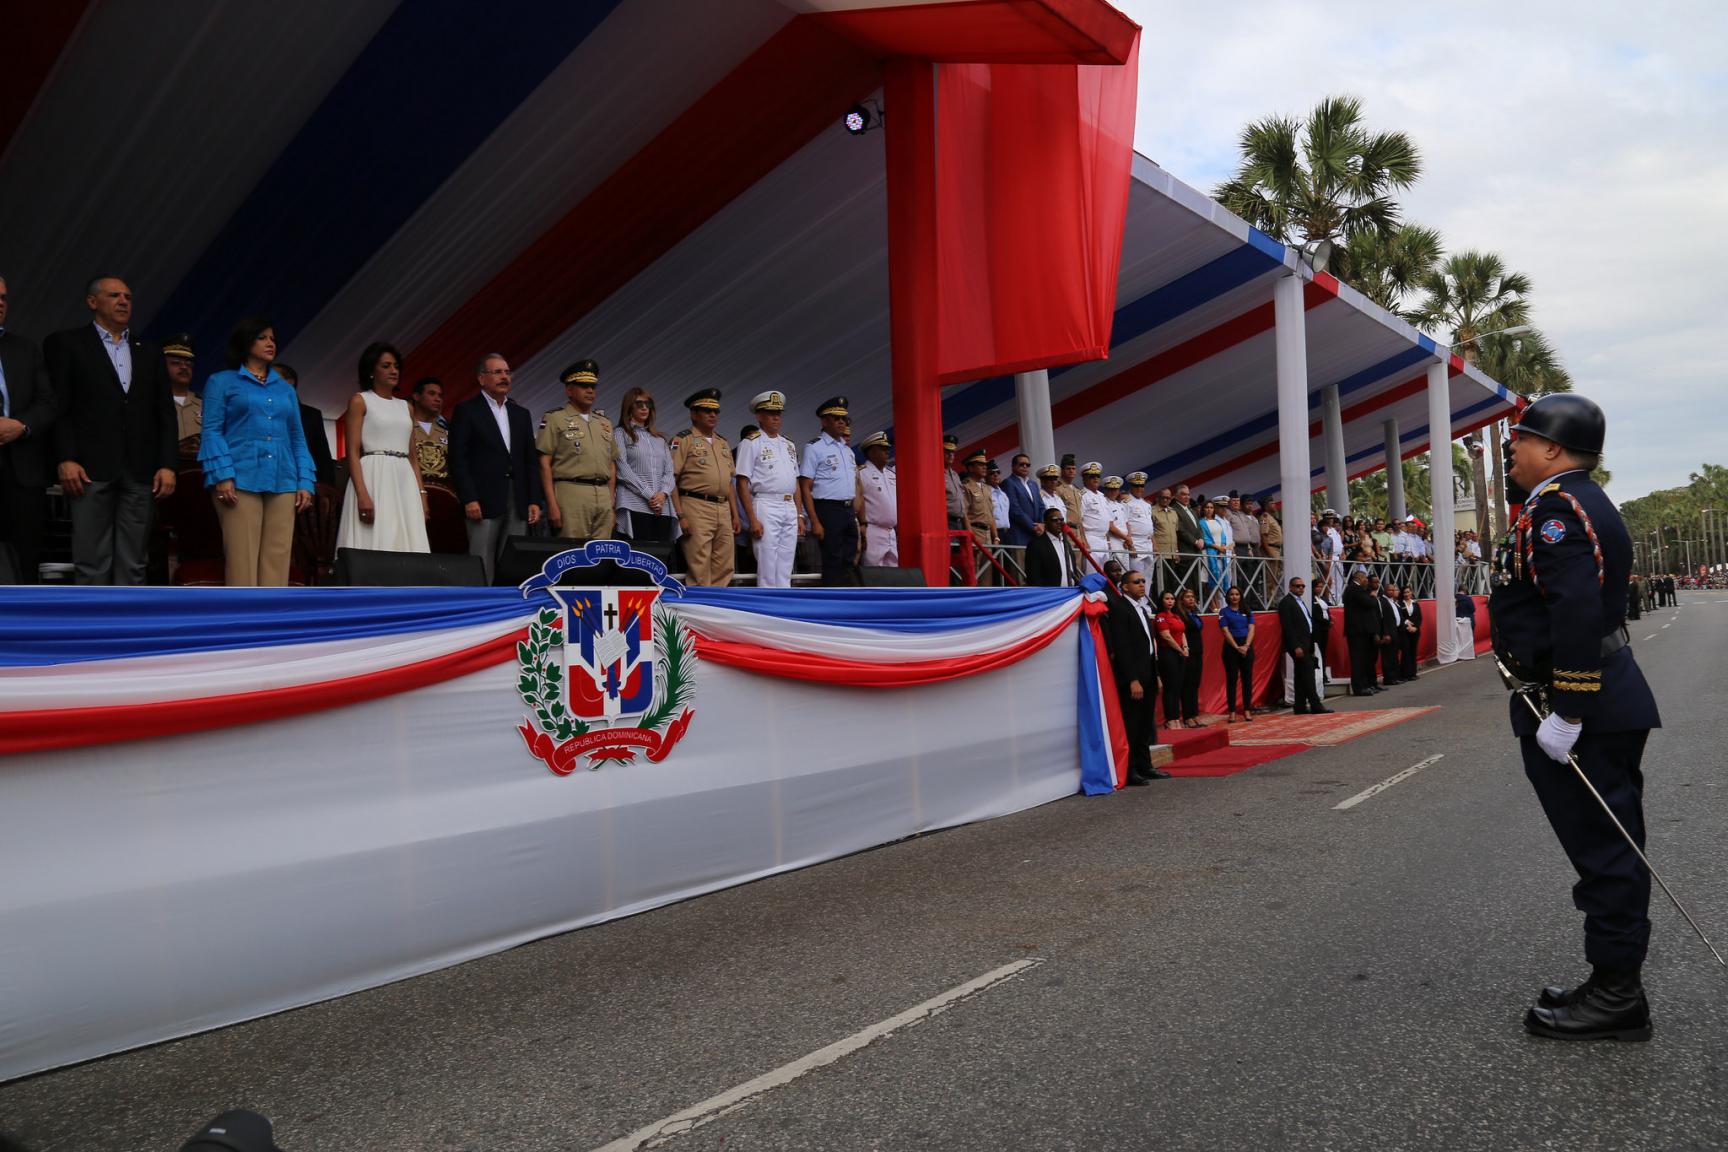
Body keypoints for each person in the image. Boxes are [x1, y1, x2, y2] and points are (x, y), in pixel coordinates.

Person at [1490, 392, 1660, 1041]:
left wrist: (1568, 711)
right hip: (1590, 701)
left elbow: (1576, 615)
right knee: (1605, 846)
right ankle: (1611, 981)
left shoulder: (1561, 510)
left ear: (1553, 450)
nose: (1513, 449)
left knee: (1606, 851)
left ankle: (1618, 996)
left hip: (1584, 708)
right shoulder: (1569, 502)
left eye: (1522, 440)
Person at [45, 275, 177, 585]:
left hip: (141, 469)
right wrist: (66, 457)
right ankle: (92, 629)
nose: (123, 302)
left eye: (128, 297)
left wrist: (167, 465)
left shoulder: (150, 351)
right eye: (114, 295)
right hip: (89, 467)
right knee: (91, 560)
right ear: (92, 302)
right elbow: (59, 407)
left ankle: (129, 628)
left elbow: (164, 414)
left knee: (135, 562)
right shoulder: (67, 343)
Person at [198, 317, 316, 586]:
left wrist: (305, 481)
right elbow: (212, 430)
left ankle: (274, 622)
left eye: (273, 338)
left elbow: (297, 437)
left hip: (283, 478)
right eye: (262, 337)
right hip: (239, 477)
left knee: (278, 556)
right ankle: (243, 623)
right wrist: (222, 474)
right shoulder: (221, 382)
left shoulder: (285, 389)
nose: (270, 343)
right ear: (245, 341)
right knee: (243, 557)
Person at [449, 352, 543, 583]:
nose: (505, 377)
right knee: (481, 558)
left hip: (518, 497)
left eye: (507, 372)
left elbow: (530, 460)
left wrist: (534, 500)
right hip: (482, 498)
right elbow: (457, 459)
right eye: (498, 372)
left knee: (512, 560)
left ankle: (508, 613)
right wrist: (469, 498)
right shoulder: (467, 410)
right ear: (482, 378)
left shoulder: (521, 414)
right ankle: (482, 609)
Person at [335, 342, 429, 555]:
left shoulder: (406, 406)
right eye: (386, 366)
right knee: (375, 535)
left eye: (396, 366)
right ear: (371, 371)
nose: (394, 371)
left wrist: (421, 494)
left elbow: (413, 456)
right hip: (373, 473)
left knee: (407, 539)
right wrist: (362, 494)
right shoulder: (360, 400)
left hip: (404, 476)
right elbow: (352, 451)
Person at [0, 277, 54, 583]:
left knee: (25, 558)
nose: (0, 303)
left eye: (4, 298)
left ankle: (23, 625)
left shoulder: (24, 348)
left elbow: (48, 402)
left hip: (22, 468)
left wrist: (20, 425)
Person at [537, 359, 617, 541]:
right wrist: (552, 504)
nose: (590, 391)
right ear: (569, 390)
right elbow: (544, 464)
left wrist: (611, 504)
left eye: (593, 386)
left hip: (603, 494)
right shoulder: (555, 418)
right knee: (572, 555)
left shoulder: (604, 423)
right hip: (570, 492)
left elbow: (611, 465)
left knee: (601, 556)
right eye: (583, 386)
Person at [735, 390, 804, 588]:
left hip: (788, 504)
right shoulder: (751, 442)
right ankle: (767, 607)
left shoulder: (788, 444)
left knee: (786, 561)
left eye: (778, 413)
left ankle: (784, 603)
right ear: (759, 416)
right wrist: (752, 519)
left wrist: (799, 515)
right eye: (770, 412)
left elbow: (795, 481)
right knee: (767, 562)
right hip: (766, 502)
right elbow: (742, 482)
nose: (776, 417)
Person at [671, 388, 738, 586]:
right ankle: (699, 612)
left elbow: (729, 482)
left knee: (725, 564)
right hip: (695, 504)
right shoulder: (682, 440)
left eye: (715, 411)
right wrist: (680, 515)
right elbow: (671, 480)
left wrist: (735, 514)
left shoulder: (723, 442)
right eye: (706, 411)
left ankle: (717, 611)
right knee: (699, 564)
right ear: (694, 414)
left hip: (723, 507)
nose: (712, 415)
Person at [1109, 567, 1170, 783]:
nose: (1142, 584)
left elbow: (1148, 646)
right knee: (1132, 724)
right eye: (1136, 582)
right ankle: (1131, 769)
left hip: (1149, 674)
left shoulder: (1142, 610)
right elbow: (1123, 647)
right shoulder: (1119, 608)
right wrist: (1132, 679)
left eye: (1143, 581)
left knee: (1145, 724)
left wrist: (1156, 676)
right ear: (1124, 587)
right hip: (1134, 677)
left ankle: (1146, 765)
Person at [801, 397, 857, 584]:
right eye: (836, 418)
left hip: (848, 509)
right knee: (832, 559)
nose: (841, 422)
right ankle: (833, 602)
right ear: (824, 422)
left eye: (844, 418)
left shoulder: (847, 450)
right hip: (828, 509)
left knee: (849, 557)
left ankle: (847, 600)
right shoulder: (814, 448)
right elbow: (805, 486)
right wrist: (814, 521)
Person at [274, 364, 335, 488]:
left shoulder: (311, 415)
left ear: (289, 383)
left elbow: (322, 455)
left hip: (302, 483)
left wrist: (325, 487)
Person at [1278, 576, 1331, 715]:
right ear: (1290, 587)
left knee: (1301, 675)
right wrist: (1296, 646)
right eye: (1297, 586)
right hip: (1298, 645)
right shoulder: (1286, 603)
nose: (1300, 588)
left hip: (1306, 643)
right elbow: (1288, 627)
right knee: (1308, 675)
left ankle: (1300, 706)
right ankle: (1316, 705)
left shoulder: (1300, 601)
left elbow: (1307, 623)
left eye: (1302, 586)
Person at [854, 430, 897, 567]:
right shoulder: (862, 473)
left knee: (894, 573)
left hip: (891, 531)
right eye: (882, 448)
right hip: (872, 529)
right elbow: (858, 502)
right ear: (871, 452)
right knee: (873, 573)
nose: (887, 452)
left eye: (887, 448)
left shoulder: (891, 474)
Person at [1218, 586, 1257, 722]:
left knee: (1247, 680)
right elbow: (1225, 631)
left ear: (1241, 596)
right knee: (1231, 680)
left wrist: (1246, 645)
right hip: (1231, 647)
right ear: (1228, 597)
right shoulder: (1224, 612)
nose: (1234, 597)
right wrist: (1236, 647)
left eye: (1237, 594)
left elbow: (1252, 628)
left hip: (1246, 645)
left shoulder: (1247, 610)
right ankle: (1232, 711)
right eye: (1231, 594)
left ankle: (1247, 709)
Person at [1153, 590, 1190, 728]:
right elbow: (1166, 636)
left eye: (1172, 599)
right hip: (1168, 654)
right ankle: (1170, 718)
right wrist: (1180, 649)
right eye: (1167, 598)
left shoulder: (1176, 616)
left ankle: (1176, 717)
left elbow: (1182, 633)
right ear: (1162, 601)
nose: (1170, 601)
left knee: (1177, 686)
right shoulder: (1160, 617)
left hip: (1180, 653)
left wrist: (1185, 648)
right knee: (1170, 687)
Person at [1343, 565, 1381, 697]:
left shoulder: (1357, 589)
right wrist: (1373, 596)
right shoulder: (1355, 589)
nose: (1367, 580)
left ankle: (1365, 685)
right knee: (1358, 660)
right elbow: (1370, 603)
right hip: (1357, 631)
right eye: (1365, 577)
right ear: (1359, 578)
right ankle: (1359, 687)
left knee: (1364, 659)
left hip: (1361, 630)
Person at [960, 449, 998, 584]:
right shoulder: (966, 486)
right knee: (973, 573)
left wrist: (996, 536)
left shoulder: (987, 488)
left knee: (987, 575)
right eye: (980, 464)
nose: (984, 467)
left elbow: (991, 514)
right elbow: (964, 513)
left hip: (988, 534)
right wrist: (970, 535)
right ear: (970, 467)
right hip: (975, 532)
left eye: (985, 465)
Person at [162, 333, 201, 461]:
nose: (184, 367)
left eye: (188, 363)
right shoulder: (149, 404)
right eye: (176, 363)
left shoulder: (207, 405)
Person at [408, 376, 450, 486]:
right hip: (412, 490)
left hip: (445, 493)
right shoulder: (405, 427)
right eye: (432, 394)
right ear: (417, 396)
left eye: (440, 395)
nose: (438, 399)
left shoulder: (448, 430)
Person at [1023, 505, 1076, 586]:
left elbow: (1073, 569)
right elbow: (1033, 576)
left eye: (1061, 519)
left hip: (1070, 593)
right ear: (1046, 523)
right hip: (1051, 594)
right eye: (1054, 520)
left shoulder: (1066, 543)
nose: (1059, 522)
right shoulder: (1036, 545)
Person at [1178, 587, 1206, 728]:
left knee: (1195, 684)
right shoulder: (1180, 615)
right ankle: (1188, 716)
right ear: (1181, 600)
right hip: (1187, 651)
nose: (1191, 599)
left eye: (1193, 596)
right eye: (1187, 597)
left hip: (1198, 650)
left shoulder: (1194, 613)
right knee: (1187, 685)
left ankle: (1195, 714)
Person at [1002, 453, 1042, 551]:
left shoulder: (1033, 484)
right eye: (1021, 464)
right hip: (1019, 534)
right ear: (1013, 466)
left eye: (1027, 465)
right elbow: (1015, 510)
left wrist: (1042, 524)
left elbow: (1041, 506)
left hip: (1037, 535)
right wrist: (1034, 527)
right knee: (1020, 565)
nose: (1025, 466)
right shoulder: (1008, 482)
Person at [1198, 497, 1232, 610]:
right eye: (1207, 507)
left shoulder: (1217, 521)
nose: (1209, 509)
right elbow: (1205, 539)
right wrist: (1217, 547)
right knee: (1210, 578)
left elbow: (1223, 536)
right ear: (1203, 509)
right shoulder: (1201, 522)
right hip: (1209, 553)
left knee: (1219, 577)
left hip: (1220, 553)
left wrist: (1222, 546)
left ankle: (1218, 601)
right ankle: (1212, 603)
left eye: (1211, 507)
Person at [1122, 473, 1156, 580]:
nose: (1139, 488)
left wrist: (1154, 544)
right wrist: (1130, 544)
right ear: (1131, 487)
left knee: (1148, 578)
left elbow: (1150, 526)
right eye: (1136, 486)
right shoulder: (1126, 502)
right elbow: (1124, 524)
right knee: (1136, 577)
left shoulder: (1146, 504)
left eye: (1141, 486)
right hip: (1135, 542)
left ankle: (1145, 598)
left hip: (1148, 543)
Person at [1077, 462, 1112, 561]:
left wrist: (1108, 541)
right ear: (1084, 479)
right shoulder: (1082, 495)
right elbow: (1080, 520)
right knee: (1092, 572)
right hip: (1091, 538)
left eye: (1097, 476)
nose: (1096, 479)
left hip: (1104, 540)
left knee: (1104, 573)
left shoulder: (1102, 496)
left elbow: (1106, 520)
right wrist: (1084, 540)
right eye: (1092, 476)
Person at [1398, 583, 1422, 680]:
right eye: (1404, 592)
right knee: (1406, 652)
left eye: (1408, 592)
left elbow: (1419, 618)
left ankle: (1413, 673)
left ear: (1411, 592)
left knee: (1413, 652)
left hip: (1415, 632)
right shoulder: (1400, 604)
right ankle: (1405, 674)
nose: (1406, 594)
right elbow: (1400, 616)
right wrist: (1407, 625)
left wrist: (1415, 627)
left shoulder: (1415, 604)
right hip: (1405, 631)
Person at [942, 434, 965, 532]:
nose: (951, 455)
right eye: (947, 451)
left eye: (952, 452)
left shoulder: (955, 475)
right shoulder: (936, 473)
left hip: (959, 522)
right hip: (945, 521)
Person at [1055, 453, 1085, 528]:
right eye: (1068, 468)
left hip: (1079, 530)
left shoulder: (1076, 489)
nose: (1071, 471)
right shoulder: (1058, 488)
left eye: (1073, 468)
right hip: (1067, 529)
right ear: (1062, 471)